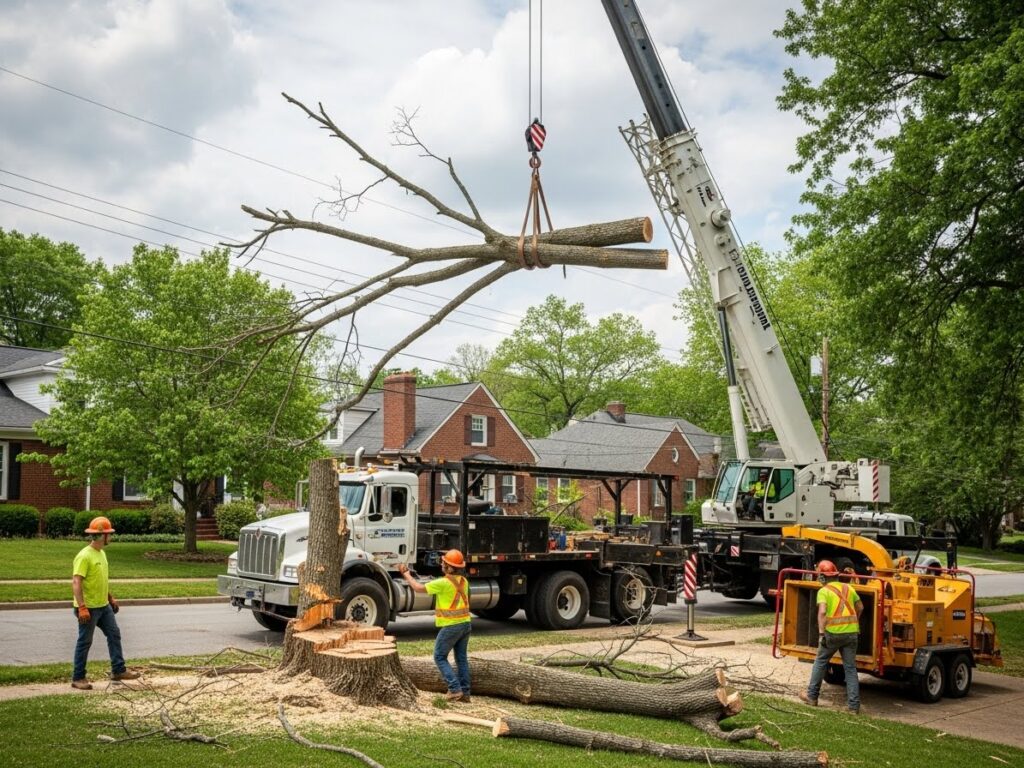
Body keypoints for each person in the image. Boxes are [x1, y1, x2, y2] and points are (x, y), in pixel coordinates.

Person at [71, 516, 140, 690]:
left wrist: (110, 598)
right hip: (88, 608)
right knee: (85, 641)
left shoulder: (101, 553)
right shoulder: (84, 556)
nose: (111, 536)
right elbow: (76, 582)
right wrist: (82, 607)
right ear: (102, 536)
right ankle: (78, 678)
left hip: (103, 606)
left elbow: (99, 580)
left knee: (114, 634)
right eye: (109, 534)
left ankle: (118, 669)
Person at [397, 549, 472, 702]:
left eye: (444, 563)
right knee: (461, 659)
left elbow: (418, 588)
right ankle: (465, 693)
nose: (442, 564)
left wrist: (406, 574)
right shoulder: (464, 582)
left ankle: (454, 689)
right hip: (465, 623)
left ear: (450, 568)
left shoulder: (443, 583)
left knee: (439, 656)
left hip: (452, 626)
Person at [799, 559, 863, 714]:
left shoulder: (824, 591)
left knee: (820, 662)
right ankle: (853, 707)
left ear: (822, 577)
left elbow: (822, 612)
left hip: (832, 634)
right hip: (852, 633)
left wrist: (821, 633)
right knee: (850, 668)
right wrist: (853, 622)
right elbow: (860, 607)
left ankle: (812, 696)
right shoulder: (848, 588)